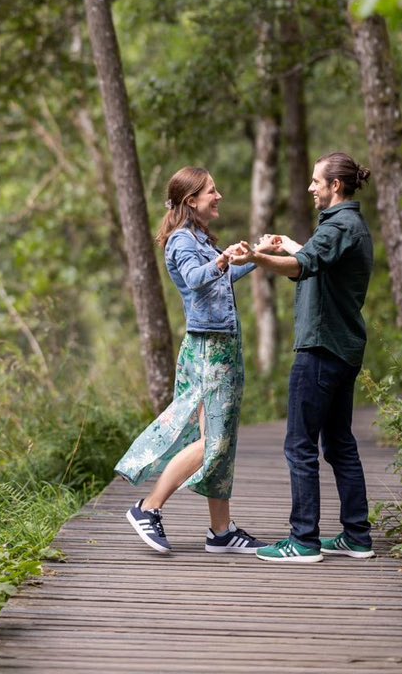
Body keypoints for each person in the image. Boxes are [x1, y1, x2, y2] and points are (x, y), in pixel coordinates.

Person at [228, 152, 375, 564]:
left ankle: (303, 539)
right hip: (343, 349)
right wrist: (289, 244)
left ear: (335, 186)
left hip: (321, 351)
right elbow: (314, 258)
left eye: (316, 181)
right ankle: (357, 536)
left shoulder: (338, 226)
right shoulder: (350, 226)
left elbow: (301, 267)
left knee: (300, 445)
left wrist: (256, 258)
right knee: (340, 444)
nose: (311, 187)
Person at [115, 167, 266, 555]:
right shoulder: (182, 241)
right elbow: (196, 278)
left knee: (220, 440)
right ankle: (148, 507)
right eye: (212, 191)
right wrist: (221, 261)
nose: (218, 196)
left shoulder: (199, 237)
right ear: (191, 200)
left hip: (222, 346)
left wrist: (260, 254)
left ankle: (221, 531)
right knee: (214, 441)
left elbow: (222, 278)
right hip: (209, 350)